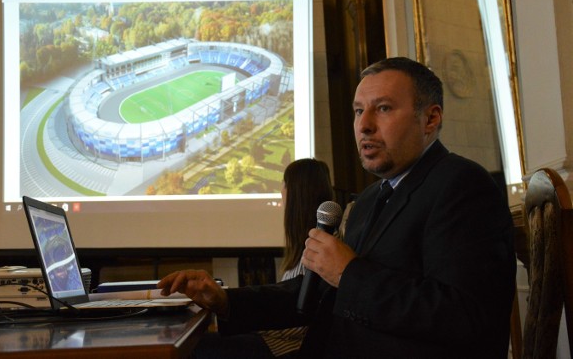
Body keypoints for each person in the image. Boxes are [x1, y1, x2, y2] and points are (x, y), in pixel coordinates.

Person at [158, 57, 516, 358]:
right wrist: (226, 302)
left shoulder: (462, 185)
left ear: (430, 119)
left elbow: (463, 316)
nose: (364, 125)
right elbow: (314, 295)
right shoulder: (370, 200)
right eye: (359, 111)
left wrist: (348, 273)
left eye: (384, 109)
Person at [193, 158, 334, 358]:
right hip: (277, 341)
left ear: (294, 193)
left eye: (283, 185)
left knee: (197, 347)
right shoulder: (309, 245)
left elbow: (298, 324)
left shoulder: (315, 251)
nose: (281, 193)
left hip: (286, 348)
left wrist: (249, 324)